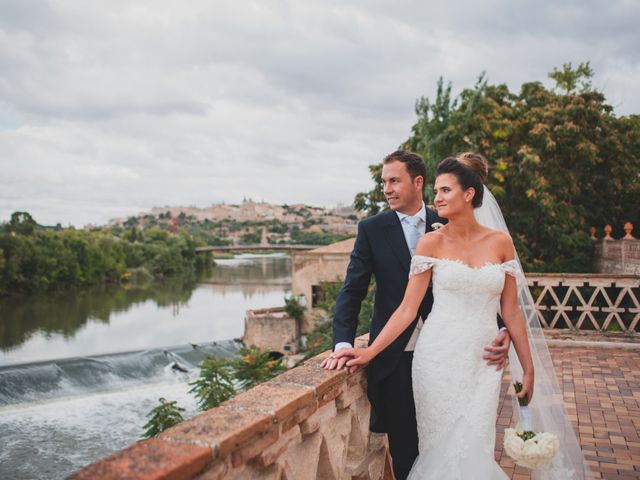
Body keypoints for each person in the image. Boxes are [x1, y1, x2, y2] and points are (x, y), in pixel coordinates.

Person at [319, 150, 511, 480]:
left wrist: (503, 328)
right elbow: (352, 291)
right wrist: (342, 345)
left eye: (394, 181)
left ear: (417, 182)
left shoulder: (452, 217)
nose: (387, 189)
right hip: (395, 356)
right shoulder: (372, 229)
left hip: (453, 354)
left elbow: (480, 280)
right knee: (407, 448)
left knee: (457, 441)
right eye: (384, 182)